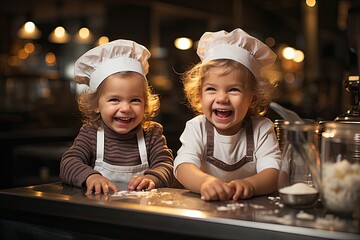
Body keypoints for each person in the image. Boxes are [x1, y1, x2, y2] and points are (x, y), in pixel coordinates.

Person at [174, 28, 281, 201]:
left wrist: (251, 185)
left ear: (253, 98)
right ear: (199, 95)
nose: (222, 98)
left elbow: (274, 172)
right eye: (211, 89)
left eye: (233, 89)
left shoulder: (262, 129)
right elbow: (183, 167)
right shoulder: (197, 127)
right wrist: (204, 183)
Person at [60, 39, 174, 195]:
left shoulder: (152, 134)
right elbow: (68, 163)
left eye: (135, 100)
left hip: (142, 211)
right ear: (96, 105)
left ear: (146, 104)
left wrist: (152, 177)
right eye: (115, 100)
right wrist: (91, 177)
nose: (126, 108)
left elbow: (166, 164)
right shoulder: (91, 133)